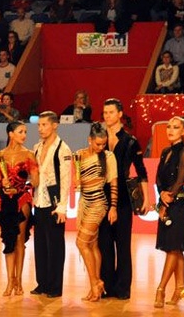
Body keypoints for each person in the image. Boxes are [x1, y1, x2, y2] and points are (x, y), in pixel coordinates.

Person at [99, 98, 149, 300]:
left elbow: (141, 170)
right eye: (104, 112)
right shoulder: (98, 138)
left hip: (124, 199)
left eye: (110, 112)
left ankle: (122, 289)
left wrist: (146, 198)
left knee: (122, 243)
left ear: (120, 114)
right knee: (104, 243)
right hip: (101, 196)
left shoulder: (130, 141)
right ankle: (107, 285)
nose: (107, 116)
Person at [0, 121, 38, 296]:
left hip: (22, 198)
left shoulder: (29, 155)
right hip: (4, 200)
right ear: (11, 134)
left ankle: (18, 280)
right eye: (20, 131)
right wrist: (0, 181)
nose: (24, 135)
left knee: (20, 239)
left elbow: (36, 181)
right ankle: (10, 280)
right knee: (8, 240)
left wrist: (22, 183)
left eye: (25, 131)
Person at [31, 111, 72, 298]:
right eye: (39, 125)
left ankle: (55, 287)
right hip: (38, 202)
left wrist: (63, 206)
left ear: (55, 125)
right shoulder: (37, 147)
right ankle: (42, 283)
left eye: (44, 125)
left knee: (55, 246)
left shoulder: (63, 149)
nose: (40, 129)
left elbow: (65, 179)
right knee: (40, 245)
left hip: (54, 204)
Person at [75, 122, 118, 302]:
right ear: (90, 140)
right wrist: (77, 183)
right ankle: (95, 288)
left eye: (103, 144)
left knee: (81, 243)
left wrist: (113, 207)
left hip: (99, 203)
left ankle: (95, 282)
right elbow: (77, 178)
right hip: (84, 202)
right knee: (91, 245)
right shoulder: (79, 154)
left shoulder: (109, 156)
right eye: (97, 144)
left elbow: (113, 183)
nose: (101, 147)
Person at [153, 116, 184, 308]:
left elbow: (181, 177)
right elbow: (159, 178)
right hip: (166, 202)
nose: (170, 130)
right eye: (168, 126)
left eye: (176, 127)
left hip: (179, 205)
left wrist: (169, 196)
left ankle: (161, 289)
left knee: (173, 248)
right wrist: (162, 195)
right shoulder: (165, 151)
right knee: (175, 249)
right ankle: (180, 287)